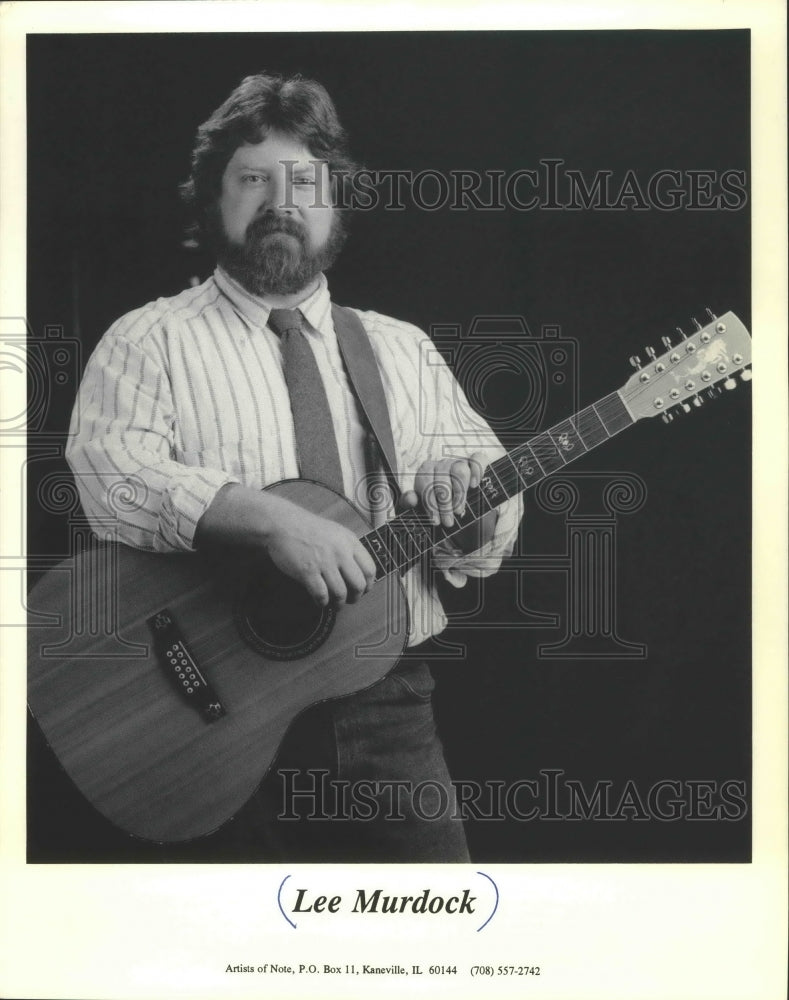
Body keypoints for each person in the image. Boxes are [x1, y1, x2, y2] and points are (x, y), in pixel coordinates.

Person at [65, 72, 522, 862]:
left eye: (304, 181)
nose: (280, 200)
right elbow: (112, 476)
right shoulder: (148, 340)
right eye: (252, 178)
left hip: (387, 709)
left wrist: (473, 508)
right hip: (207, 714)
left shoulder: (399, 348)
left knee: (431, 947)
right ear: (213, 199)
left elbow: (488, 514)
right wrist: (272, 521)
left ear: (335, 204)